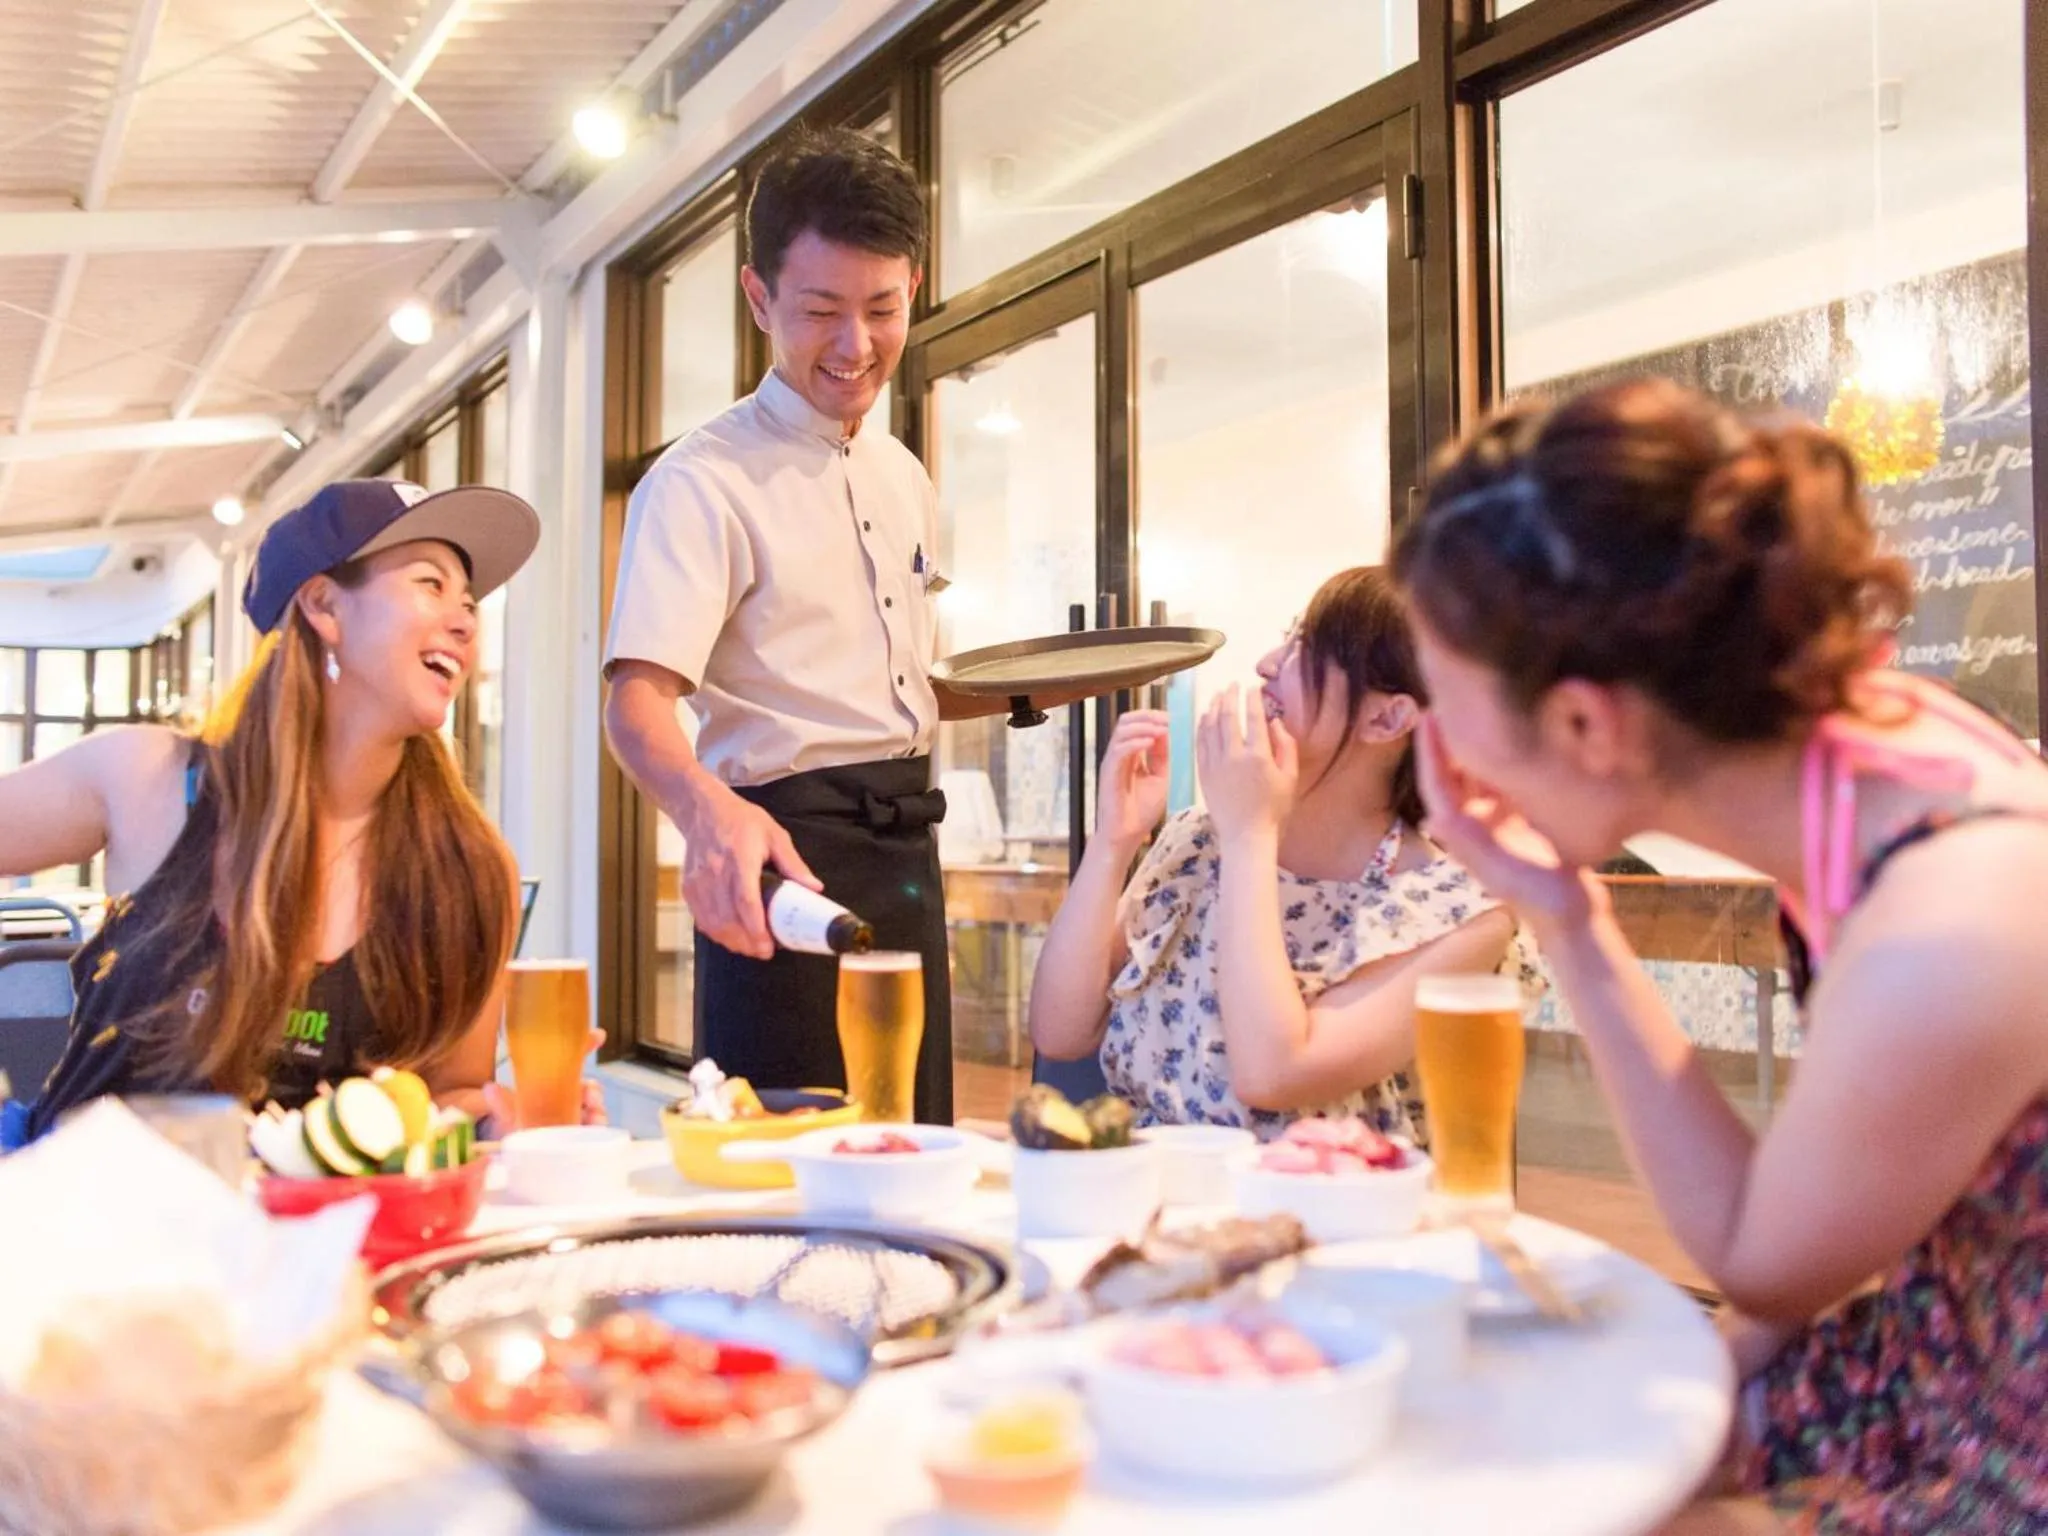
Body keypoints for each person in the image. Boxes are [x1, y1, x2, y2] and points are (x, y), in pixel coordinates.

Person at [1396, 378, 2048, 1534]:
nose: (1437, 748)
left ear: (1588, 725)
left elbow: (1764, 1262)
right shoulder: (1878, 742)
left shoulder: (1950, 920)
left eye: (1447, 702)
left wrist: (1563, 915)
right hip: (1940, 1336)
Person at [603, 128, 1079, 1124]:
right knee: (794, 1168)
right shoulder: (701, 481)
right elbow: (635, 705)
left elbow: (899, 686)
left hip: (909, 848)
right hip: (782, 855)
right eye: (821, 311)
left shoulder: (903, 476)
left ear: (913, 287)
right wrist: (704, 811)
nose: (855, 344)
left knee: (915, 1145)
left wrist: (1044, 682)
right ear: (758, 299)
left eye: (882, 308)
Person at [2, 478, 602, 1141]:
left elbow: (445, 1097)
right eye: (430, 584)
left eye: (469, 602)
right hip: (89, 1226)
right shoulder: (149, 779)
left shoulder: (470, 869)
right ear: (323, 606)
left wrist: (505, 1121)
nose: (465, 621)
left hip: (327, 1239)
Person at [1030, 567, 1536, 1138]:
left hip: (1322, 1207)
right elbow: (1060, 1032)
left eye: (1309, 649)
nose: (1268, 663)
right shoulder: (1200, 838)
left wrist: (1250, 835)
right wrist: (1113, 841)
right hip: (1142, 1190)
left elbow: (1274, 1076)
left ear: (1387, 717)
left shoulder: (1459, 913)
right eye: (1289, 637)